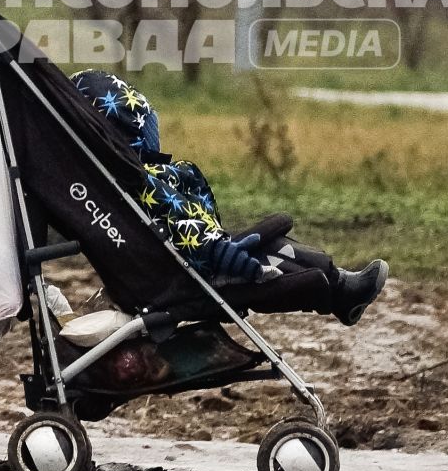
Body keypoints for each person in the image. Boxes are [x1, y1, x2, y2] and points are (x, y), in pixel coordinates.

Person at [69, 70, 388, 324]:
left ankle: (340, 286)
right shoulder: (142, 182)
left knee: (276, 242)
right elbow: (176, 226)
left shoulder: (126, 179)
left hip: (196, 256)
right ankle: (338, 290)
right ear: (130, 137)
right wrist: (220, 251)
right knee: (280, 259)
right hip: (197, 269)